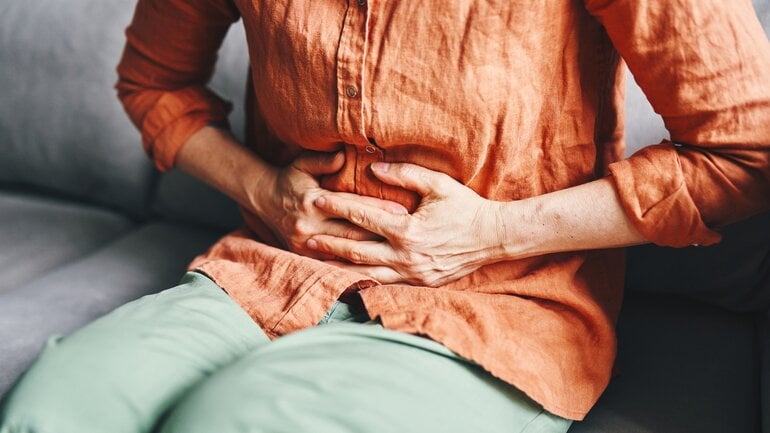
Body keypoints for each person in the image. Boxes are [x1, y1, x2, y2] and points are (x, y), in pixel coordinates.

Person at [1, 0, 769, 432]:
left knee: (235, 422)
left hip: (497, 304)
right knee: (54, 405)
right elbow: (154, 84)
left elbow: (745, 151)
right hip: (271, 271)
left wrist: (492, 232)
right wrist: (263, 189)